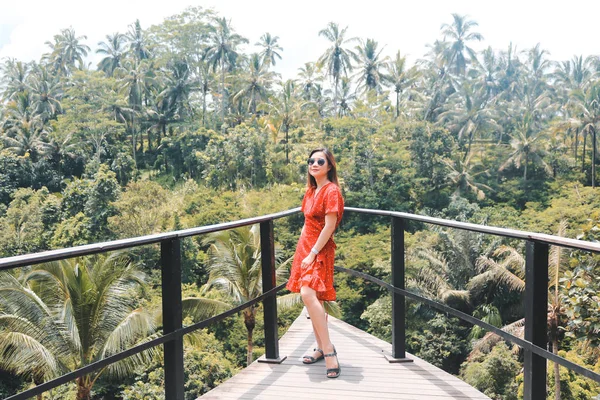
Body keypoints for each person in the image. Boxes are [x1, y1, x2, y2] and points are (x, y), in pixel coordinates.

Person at [286, 147, 344, 379]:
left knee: (308, 294)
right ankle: (320, 348)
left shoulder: (331, 191)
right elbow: (306, 222)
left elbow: (329, 226)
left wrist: (312, 252)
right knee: (314, 298)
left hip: (319, 250)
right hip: (306, 248)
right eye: (311, 161)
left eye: (320, 161)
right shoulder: (311, 191)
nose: (315, 164)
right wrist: (301, 251)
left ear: (329, 165)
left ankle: (329, 350)